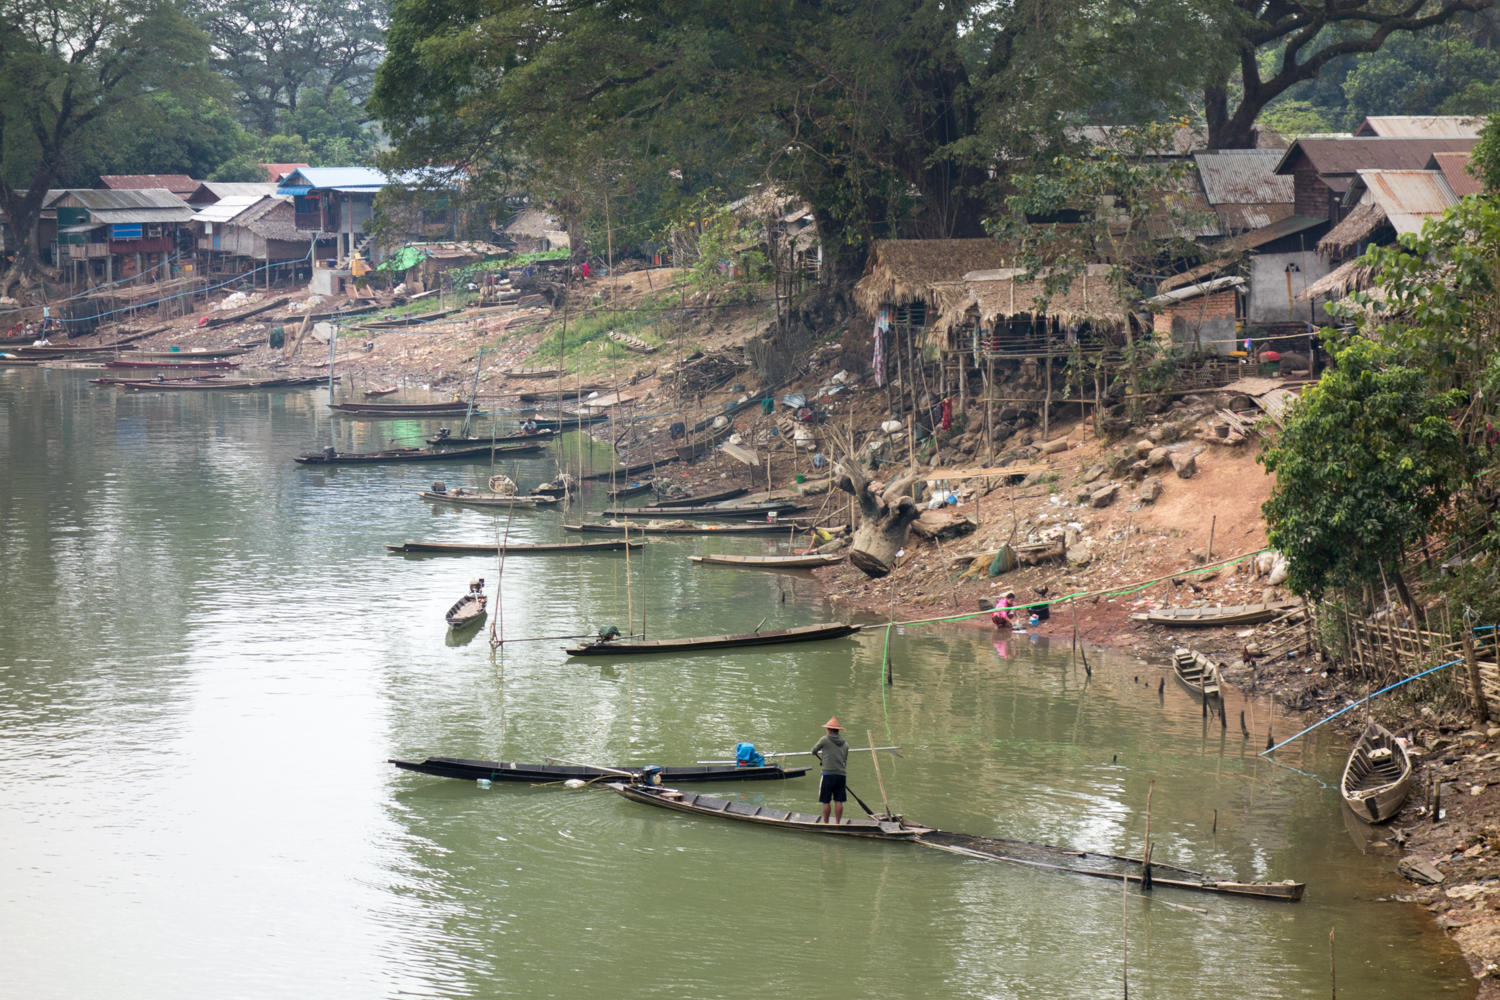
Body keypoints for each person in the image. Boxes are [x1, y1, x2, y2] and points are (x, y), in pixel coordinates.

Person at [811, 716, 850, 823]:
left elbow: (813, 751)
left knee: (826, 801)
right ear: (837, 731)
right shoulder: (845, 744)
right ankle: (837, 823)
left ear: (829, 730)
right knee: (839, 800)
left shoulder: (825, 739)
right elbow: (844, 760)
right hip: (841, 774)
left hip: (827, 774)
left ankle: (826, 823)